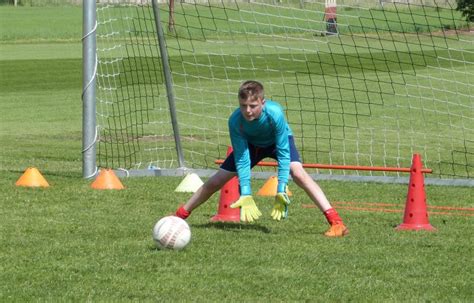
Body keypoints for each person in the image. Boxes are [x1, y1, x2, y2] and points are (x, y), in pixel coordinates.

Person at [175, 80, 348, 237]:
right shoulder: (235, 121)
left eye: (253, 105)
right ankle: (179, 217)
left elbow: (282, 152)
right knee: (216, 181)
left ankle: (336, 222)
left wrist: (281, 188)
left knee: (298, 173)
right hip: (251, 146)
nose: (248, 111)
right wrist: (246, 193)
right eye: (243, 106)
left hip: (277, 142)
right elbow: (242, 158)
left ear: (262, 103)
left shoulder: (275, 114)